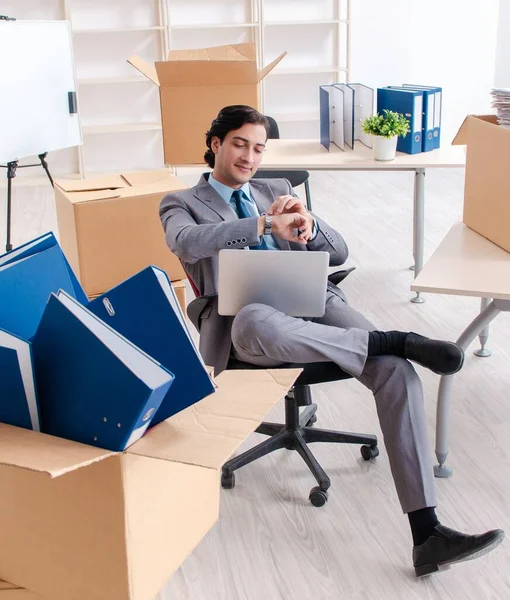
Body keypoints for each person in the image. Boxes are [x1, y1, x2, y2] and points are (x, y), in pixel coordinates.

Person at [159, 105, 504, 576]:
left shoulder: (277, 189)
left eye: (259, 148)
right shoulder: (180, 201)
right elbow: (187, 243)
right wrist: (262, 226)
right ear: (216, 144)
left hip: (313, 300)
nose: (250, 157)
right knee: (257, 322)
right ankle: (398, 338)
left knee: (395, 372)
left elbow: (339, 252)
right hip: (249, 319)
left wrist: (309, 226)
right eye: (240, 144)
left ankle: (428, 533)